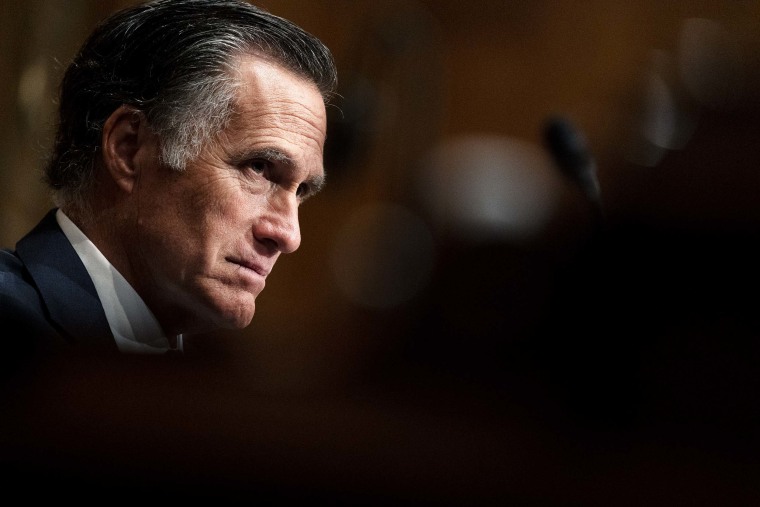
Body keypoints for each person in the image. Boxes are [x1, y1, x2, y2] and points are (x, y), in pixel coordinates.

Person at [0, 0, 338, 364]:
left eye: (301, 190)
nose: (289, 236)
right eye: (259, 168)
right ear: (129, 150)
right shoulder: (13, 340)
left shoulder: (209, 389)